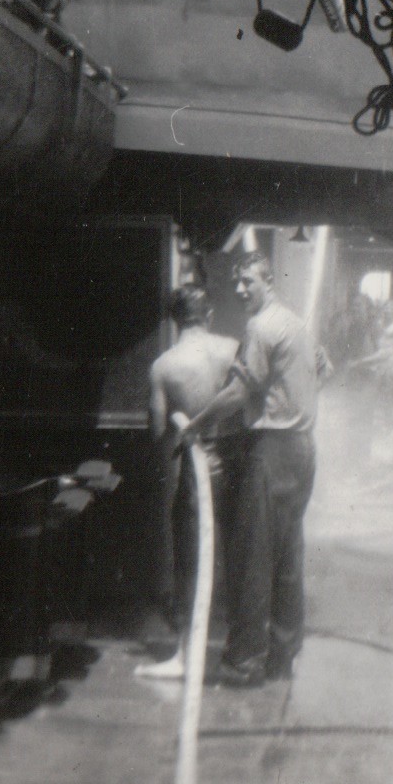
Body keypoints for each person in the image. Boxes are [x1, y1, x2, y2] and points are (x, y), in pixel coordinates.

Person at [188, 250, 321, 687]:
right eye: (237, 281)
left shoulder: (260, 326)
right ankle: (283, 657)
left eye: (249, 281)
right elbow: (324, 366)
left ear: (269, 282)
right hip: (303, 449)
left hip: (274, 450)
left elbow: (239, 392)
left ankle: (245, 662)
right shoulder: (296, 323)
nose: (241, 289)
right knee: (287, 555)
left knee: (253, 556)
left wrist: (196, 423)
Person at [135, 283, 243, 682]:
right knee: (236, 559)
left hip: (194, 476)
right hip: (235, 468)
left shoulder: (164, 366)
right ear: (209, 314)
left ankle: (186, 653)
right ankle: (238, 651)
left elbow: (158, 430)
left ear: (174, 320)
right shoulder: (231, 349)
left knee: (189, 566)